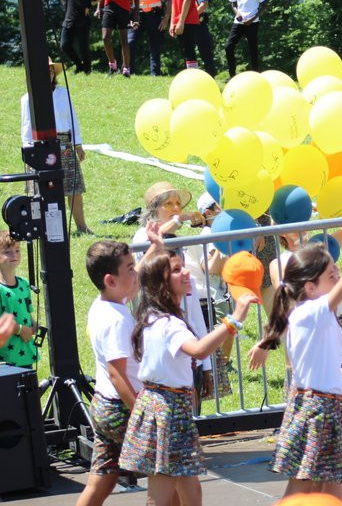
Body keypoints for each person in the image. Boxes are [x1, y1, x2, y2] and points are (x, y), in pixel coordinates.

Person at [248, 204, 342, 504]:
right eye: (330, 274)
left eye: (335, 270)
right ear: (310, 286)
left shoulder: (315, 314)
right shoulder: (312, 312)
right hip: (318, 411)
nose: (337, 276)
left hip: (326, 406)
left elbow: (319, 371)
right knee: (313, 488)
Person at [117, 248, 257, 505]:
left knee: (190, 492)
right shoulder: (169, 324)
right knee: (162, 495)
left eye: (184, 267)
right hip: (166, 410)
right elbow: (200, 349)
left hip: (170, 408)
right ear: (162, 283)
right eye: (177, 269)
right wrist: (235, 319)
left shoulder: (153, 315)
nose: (186, 273)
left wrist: (155, 246)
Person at [132, 182, 228, 403]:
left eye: (177, 203)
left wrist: (207, 367)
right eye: (168, 204)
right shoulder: (142, 237)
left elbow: (195, 315)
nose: (176, 208)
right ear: (153, 209)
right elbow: (151, 242)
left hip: (187, 343)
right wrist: (181, 219)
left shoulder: (180, 249)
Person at [76, 241, 141, 506]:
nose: (136, 273)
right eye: (130, 269)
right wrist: (142, 414)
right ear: (110, 281)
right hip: (121, 408)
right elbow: (117, 374)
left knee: (103, 477)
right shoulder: (115, 320)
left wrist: (156, 245)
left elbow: (132, 274)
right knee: (167, 472)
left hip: (104, 405)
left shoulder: (103, 304)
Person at [21, 59, 92, 234]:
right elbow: (26, 126)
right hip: (39, 145)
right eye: (46, 71)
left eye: (52, 71)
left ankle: (82, 227)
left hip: (64, 143)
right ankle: (42, 228)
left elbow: (72, 118)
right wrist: (29, 154)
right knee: (40, 190)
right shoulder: (28, 98)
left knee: (73, 188)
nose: (50, 74)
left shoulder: (63, 93)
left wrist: (78, 145)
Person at [0, 230, 37, 368]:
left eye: (17, 250)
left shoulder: (24, 284)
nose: (14, 255)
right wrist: (20, 329)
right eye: (7, 252)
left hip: (26, 353)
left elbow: (27, 311)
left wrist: (33, 325)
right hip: (5, 360)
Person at [129, 0, 171, 76]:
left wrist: (166, 18)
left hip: (155, 16)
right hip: (137, 16)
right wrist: (129, 17)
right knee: (130, 42)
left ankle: (155, 74)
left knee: (155, 46)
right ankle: (128, 71)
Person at [58, 0, 102, 74]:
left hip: (82, 21)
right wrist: (68, 7)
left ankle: (87, 70)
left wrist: (88, 5)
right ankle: (79, 65)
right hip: (68, 20)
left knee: (83, 47)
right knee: (64, 45)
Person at [226, 0, 267, 77]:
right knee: (229, 46)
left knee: (253, 49)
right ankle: (232, 75)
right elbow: (233, 3)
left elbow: (265, 5)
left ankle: (256, 75)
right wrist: (237, 13)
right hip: (238, 22)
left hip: (252, 23)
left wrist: (253, 18)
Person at [186, 0, 218, 76]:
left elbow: (204, 5)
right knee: (189, 54)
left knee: (206, 52)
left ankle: (211, 78)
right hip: (186, 25)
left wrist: (189, 16)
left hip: (199, 24)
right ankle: (191, 79)